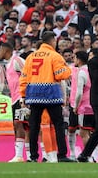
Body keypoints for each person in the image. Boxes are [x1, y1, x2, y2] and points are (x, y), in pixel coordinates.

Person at [20, 31, 73, 162]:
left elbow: (24, 78)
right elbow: (61, 74)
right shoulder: (55, 56)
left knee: (34, 126)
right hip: (51, 95)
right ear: (52, 41)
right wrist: (68, 69)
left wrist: (23, 95)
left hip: (34, 94)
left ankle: (33, 156)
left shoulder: (31, 57)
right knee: (58, 125)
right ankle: (61, 155)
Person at [0, 42, 28, 162]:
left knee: (20, 124)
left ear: (5, 50)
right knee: (18, 125)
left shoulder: (17, 60)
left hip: (22, 98)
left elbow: (28, 75)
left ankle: (21, 155)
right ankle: (24, 155)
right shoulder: (8, 64)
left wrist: (24, 96)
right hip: (14, 99)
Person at [70, 50, 98, 162]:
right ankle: (94, 156)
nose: (73, 61)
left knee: (84, 133)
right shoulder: (93, 70)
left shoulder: (81, 72)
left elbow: (79, 93)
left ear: (78, 59)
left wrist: (76, 106)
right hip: (95, 105)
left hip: (84, 107)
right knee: (94, 133)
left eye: (74, 58)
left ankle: (88, 156)